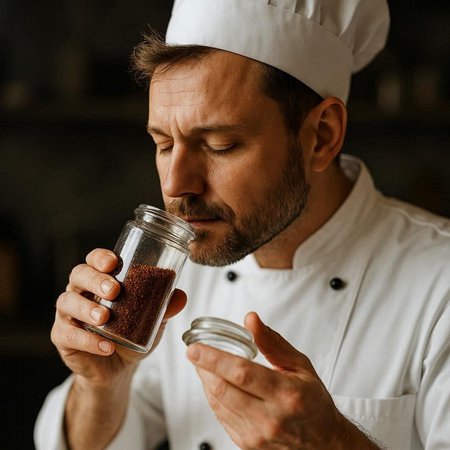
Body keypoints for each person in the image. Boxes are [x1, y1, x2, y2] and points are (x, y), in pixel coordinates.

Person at [35, 0, 450, 449]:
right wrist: (100, 385)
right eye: (163, 143)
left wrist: (337, 442)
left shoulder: (438, 283)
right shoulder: (173, 276)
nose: (176, 185)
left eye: (220, 144)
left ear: (323, 135)